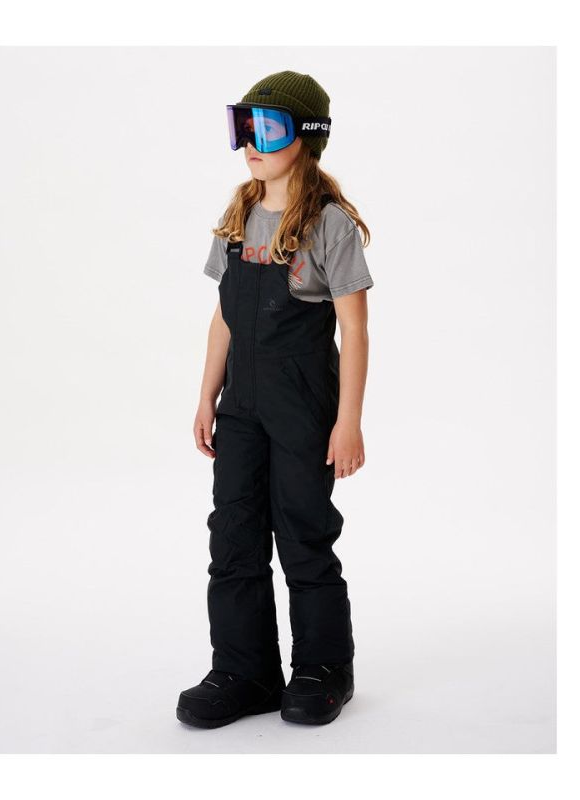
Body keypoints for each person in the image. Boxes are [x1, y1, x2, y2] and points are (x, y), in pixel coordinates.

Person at [176, 71, 374, 728]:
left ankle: (324, 668)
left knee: (302, 533)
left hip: (302, 408)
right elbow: (224, 318)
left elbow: (354, 329)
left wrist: (349, 422)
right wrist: (206, 396)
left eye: (266, 130)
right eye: (244, 128)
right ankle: (245, 670)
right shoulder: (238, 217)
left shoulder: (329, 225)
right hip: (241, 408)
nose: (250, 145)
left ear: (307, 136)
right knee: (233, 534)